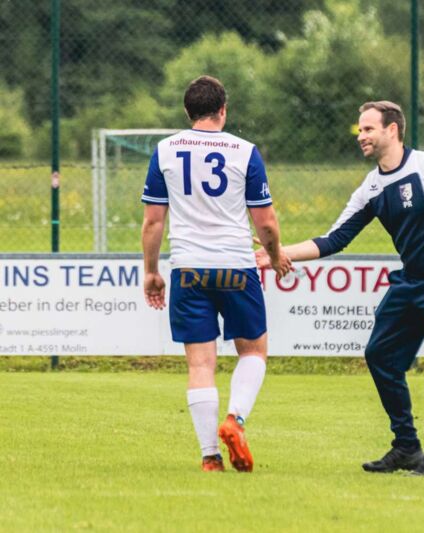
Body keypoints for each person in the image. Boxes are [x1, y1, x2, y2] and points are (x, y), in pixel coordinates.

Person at [258, 101, 424, 476]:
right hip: (411, 280)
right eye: (360, 130)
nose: (361, 136)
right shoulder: (372, 187)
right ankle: (407, 446)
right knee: (380, 355)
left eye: (368, 129)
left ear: (391, 130)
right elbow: (334, 239)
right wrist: (278, 253)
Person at [141, 75, 291, 472]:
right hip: (236, 266)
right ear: (223, 110)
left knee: (200, 365)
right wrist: (275, 256)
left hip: (188, 268)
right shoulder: (245, 152)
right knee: (253, 351)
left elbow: (153, 222)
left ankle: (210, 457)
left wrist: (151, 272)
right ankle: (234, 419)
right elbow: (266, 222)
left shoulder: (165, 150)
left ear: (187, 112)